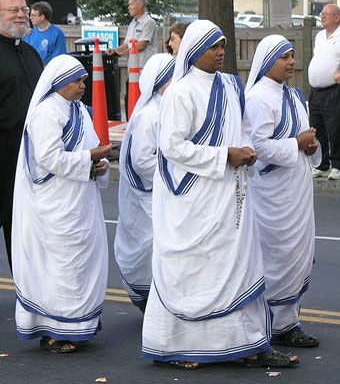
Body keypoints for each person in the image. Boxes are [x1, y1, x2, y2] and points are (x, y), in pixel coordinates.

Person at [142, 20, 298, 369]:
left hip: (231, 192)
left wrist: (244, 149)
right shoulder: (180, 92)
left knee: (240, 266)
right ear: (195, 51)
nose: (221, 52)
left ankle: (250, 344)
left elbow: (241, 127)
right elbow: (171, 146)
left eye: (223, 45)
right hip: (194, 199)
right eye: (213, 47)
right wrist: (224, 155)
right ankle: (176, 347)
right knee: (194, 270)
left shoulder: (231, 85)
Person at [12, 54, 112, 353]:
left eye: (83, 79)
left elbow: (93, 147)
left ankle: (79, 325)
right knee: (59, 265)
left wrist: (102, 162)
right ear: (58, 83)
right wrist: (90, 159)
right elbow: (48, 158)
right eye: (76, 80)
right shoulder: (46, 113)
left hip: (81, 201)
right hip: (54, 204)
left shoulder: (80, 111)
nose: (82, 85)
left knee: (81, 262)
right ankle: (56, 330)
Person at [244, 34, 320, 349]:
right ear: (266, 62)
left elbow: (303, 139)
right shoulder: (258, 98)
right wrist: (297, 144)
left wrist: (310, 146)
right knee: (278, 256)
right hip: (272, 195)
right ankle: (272, 324)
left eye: (292, 56)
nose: (291, 62)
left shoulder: (291, 95)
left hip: (297, 191)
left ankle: (288, 323)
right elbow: (256, 146)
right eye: (284, 57)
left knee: (299, 256)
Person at [114, 53, 175, 313]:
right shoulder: (148, 115)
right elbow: (141, 162)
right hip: (150, 194)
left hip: (169, 192)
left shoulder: (171, 107)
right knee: (150, 246)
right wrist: (176, 175)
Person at [0, 0, 43, 270]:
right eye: (12, 10)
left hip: (26, 156)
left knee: (23, 231)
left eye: (23, 9)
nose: (20, 15)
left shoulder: (30, 53)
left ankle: (27, 296)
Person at [308, 3, 340, 180]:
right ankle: (321, 164)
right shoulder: (320, 36)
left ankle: (337, 165)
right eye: (322, 13)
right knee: (316, 128)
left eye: (327, 13)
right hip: (315, 90)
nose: (322, 16)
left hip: (333, 90)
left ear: (337, 17)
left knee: (335, 129)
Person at [106, 0, 157, 69]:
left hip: (145, 67)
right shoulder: (132, 23)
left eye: (131, 4)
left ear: (139, 6)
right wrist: (114, 50)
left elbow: (142, 45)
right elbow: (125, 45)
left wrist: (122, 53)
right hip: (133, 66)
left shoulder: (149, 22)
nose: (128, 7)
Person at [23, 1, 67, 66]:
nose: (30, 18)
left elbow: (59, 59)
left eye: (34, 15)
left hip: (49, 73)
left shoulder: (57, 34)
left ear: (42, 17)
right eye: (30, 15)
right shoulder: (30, 33)